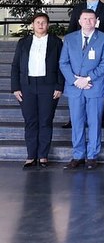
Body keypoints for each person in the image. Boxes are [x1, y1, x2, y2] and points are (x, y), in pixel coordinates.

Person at [59, 9, 104, 170]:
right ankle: (78, 155)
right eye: (85, 18)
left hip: (95, 87)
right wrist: (76, 80)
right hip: (75, 87)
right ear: (79, 21)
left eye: (91, 19)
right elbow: (63, 62)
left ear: (96, 21)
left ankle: (92, 156)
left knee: (94, 122)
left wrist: (87, 78)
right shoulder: (69, 39)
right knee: (76, 122)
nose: (88, 21)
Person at [11, 13, 64, 169]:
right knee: (30, 121)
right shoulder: (23, 42)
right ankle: (31, 156)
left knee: (46, 121)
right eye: (38, 22)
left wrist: (59, 86)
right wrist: (15, 87)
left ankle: (43, 156)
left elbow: (62, 65)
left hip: (48, 85)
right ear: (32, 25)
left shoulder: (56, 42)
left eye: (44, 22)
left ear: (48, 25)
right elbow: (15, 66)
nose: (41, 25)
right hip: (27, 86)